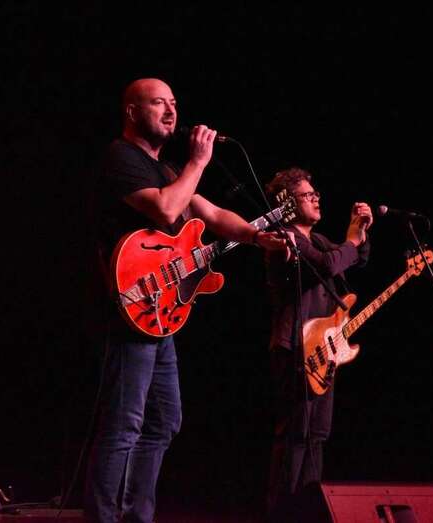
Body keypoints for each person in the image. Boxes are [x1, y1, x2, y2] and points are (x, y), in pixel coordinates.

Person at [85, 77, 286, 523]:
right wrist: (198, 161)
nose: (171, 111)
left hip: (161, 313)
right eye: (159, 103)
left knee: (164, 420)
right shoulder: (121, 158)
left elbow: (211, 214)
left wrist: (257, 237)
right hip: (131, 307)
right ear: (132, 112)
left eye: (174, 102)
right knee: (125, 424)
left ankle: (136, 516)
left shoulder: (169, 170)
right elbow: (166, 209)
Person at [264, 167, 372, 521]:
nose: (316, 198)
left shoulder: (320, 240)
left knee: (317, 437)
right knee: (295, 437)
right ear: (288, 203)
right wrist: (351, 241)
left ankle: (307, 514)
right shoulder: (286, 238)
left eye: (315, 193)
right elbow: (328, 264)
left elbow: (352, 260)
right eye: (308, 195)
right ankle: (281, 515)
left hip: (323, 350)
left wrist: (359, 233)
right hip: (295, 347)